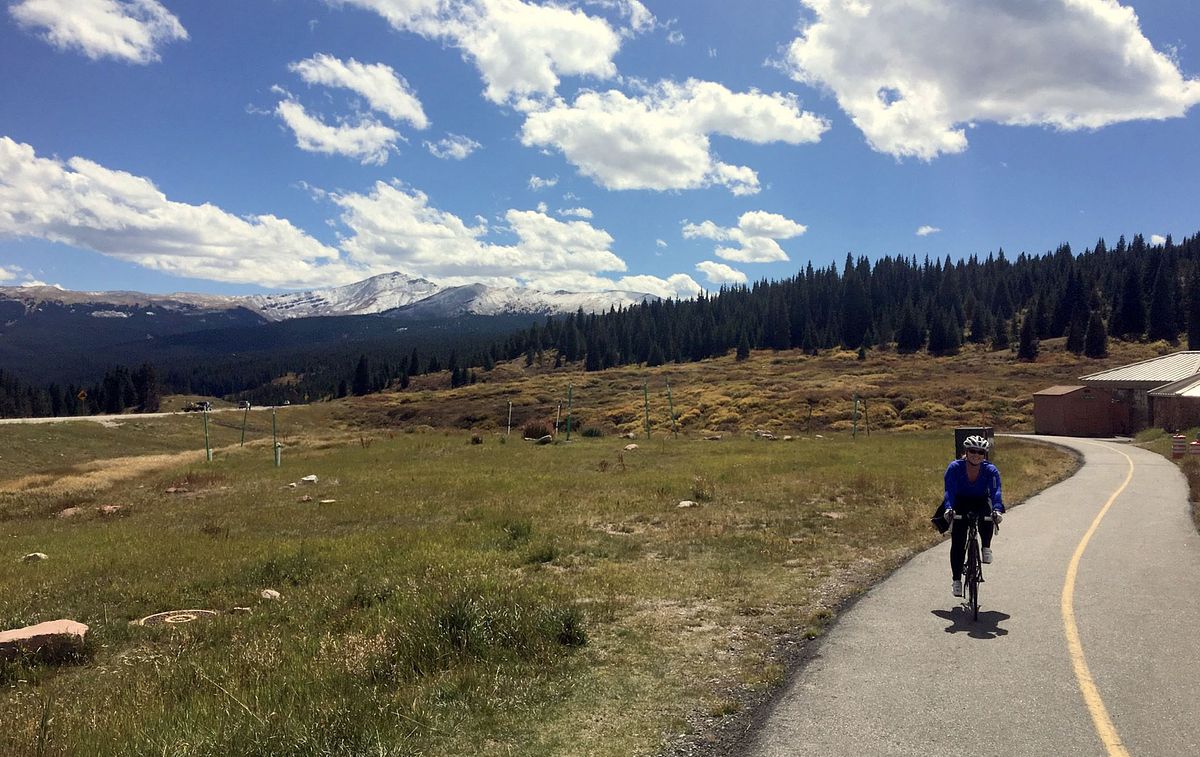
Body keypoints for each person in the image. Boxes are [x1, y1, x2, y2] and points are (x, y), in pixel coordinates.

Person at [932, 435, 1004, 597]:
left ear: (984, 454)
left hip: (980, 500)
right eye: (973, 451)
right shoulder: (955, 467)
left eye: (980, 452)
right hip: (960, 502)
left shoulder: (990, 470)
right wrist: (949, 508)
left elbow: (996, 491)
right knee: (958, 542)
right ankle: (956, 580)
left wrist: (997, 509)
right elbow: (949, 490)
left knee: (988, 515)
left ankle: (986, 547)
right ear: (966, 451)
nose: (976, 455)